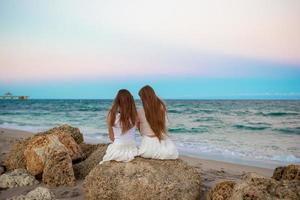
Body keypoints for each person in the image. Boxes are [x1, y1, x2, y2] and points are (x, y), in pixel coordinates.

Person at [137, 85, 178, 159]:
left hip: (147, 148)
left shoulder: (140, 111)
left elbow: (138, 127)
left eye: (141, 98)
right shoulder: (161, 107)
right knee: (172, 152)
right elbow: (165, 126)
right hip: (163, 144)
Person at [100, 89, 138, 164]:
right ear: (131, 100)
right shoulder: (135, 115)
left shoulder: (112, 115)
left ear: (117, 101)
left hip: (118, 147)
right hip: (132, 148)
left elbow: (111, 137)